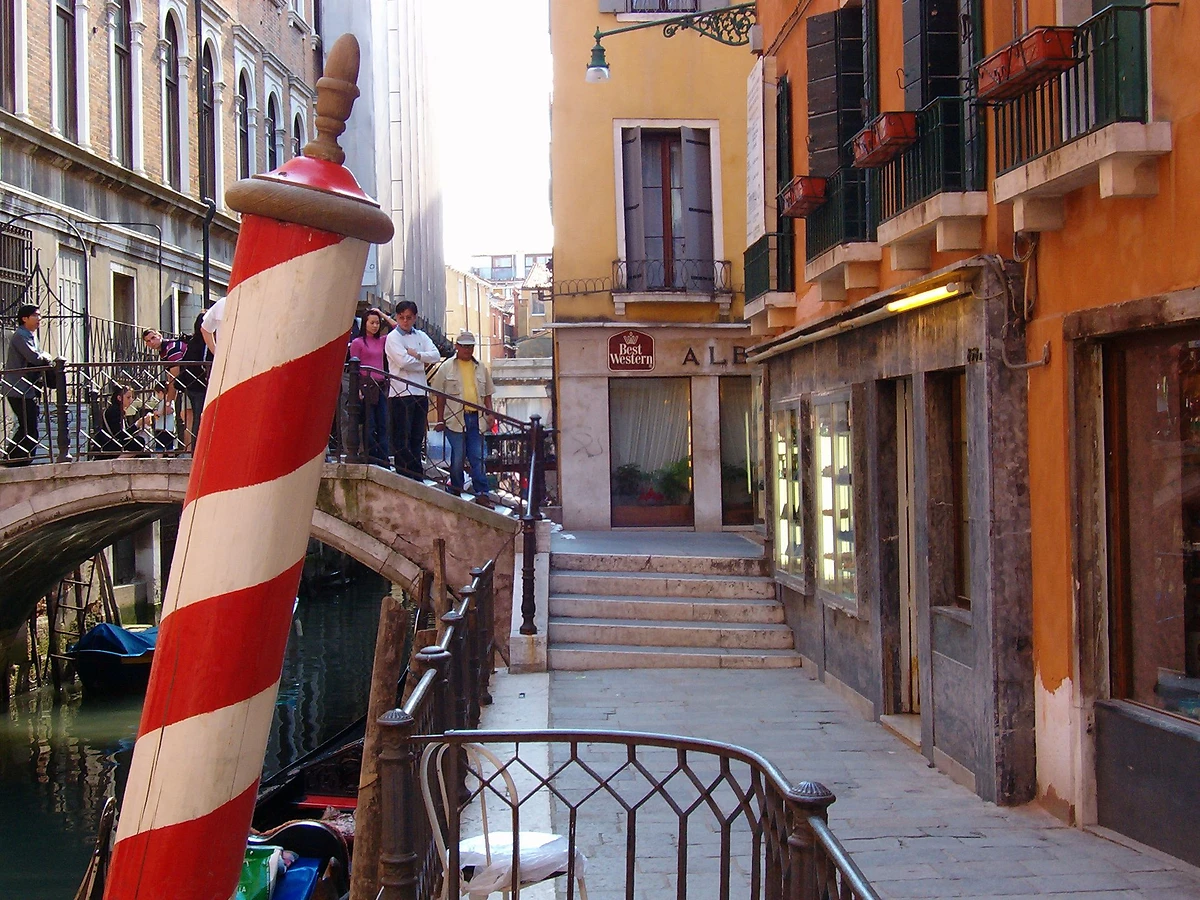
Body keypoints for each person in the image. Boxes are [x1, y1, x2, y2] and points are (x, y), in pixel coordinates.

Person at [430, 331, 495, 506]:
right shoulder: (446, 367)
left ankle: (482, 493)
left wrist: (491, 414)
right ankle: (456, 488)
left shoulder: (481, 367)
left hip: (477, 418)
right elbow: (439, 395)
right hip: (455, 418)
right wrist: (440, 419)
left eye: (470, 346)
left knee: (478, 456)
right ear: (457, 347)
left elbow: (488, 394)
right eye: (464, 346)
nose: (467, 349)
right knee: (458, 457)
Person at [383, 300, 441, 479]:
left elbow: (436, 355)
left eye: (408, 318)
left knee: (417, 436)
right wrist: (422, 362)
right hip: (401, 392)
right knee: (402, 436)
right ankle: (405, 472)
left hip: (419, 392)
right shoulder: (393, 338)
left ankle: (416, 472)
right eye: (401, 318)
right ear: (397, 318)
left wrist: (417, 355)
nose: (405, 321)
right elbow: (402, 362)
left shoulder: (421, 336)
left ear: (415, 318)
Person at [1, 304, 55, 465]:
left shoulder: (31, 335)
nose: (39, 319)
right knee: (28, 425)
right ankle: (14, 458)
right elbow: (34, 357)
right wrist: (47, 356)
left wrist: (45, 356)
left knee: (30, 424)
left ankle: (20, 458)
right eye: (35, 315)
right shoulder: (20, 335)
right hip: (17, 388)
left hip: (27, 389)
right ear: (24, 318)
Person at [348, 307, 390, 466]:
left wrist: (382, 314)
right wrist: (357, 388)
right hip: (366, 386)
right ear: (365, 323)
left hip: (381, 386)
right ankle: (371, 456)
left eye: (377, 323)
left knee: (383, 423)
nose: (375, 326)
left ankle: (383, 458)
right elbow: (355, 368)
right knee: (369, 424)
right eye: (372, 322)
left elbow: (397, 329)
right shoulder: (357, 343)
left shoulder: (382, 340)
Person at [142, 327, 190, 442]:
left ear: (160, 336)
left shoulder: (171, 348)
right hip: (188, 383)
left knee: (187, 416)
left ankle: (190, 452)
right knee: (184, 416)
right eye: (148, 341)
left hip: (192, 383)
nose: (151, 342)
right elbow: (171, 377)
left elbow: (174, 377)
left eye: (153, 337)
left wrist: (168, 403)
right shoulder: (164, 351)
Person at [175, 312, 211, 451]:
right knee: (201, 417)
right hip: (201, 385)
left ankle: (197, 449)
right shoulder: (206, 341)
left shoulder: (193, 341)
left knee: (197, 417)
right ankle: (199, 449)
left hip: (191, 386)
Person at [96, 382, 151, 457]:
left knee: (144, 453)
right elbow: (120, 435)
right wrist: (138, 424)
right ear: (119, 398)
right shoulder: (114, 411)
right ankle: (119, 460)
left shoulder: (119, 410)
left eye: (132, 397)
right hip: (109, 446)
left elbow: (125, 433)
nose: (131, 400)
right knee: (139, 442)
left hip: (114, 444)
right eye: (128, 397)